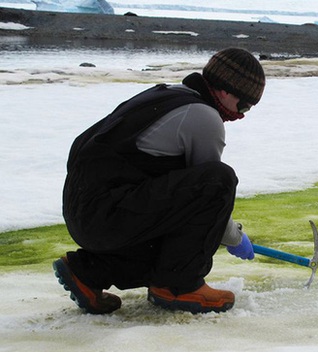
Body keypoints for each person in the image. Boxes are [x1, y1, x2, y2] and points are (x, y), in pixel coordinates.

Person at [52, 48, 266, 314]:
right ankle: (179, 285)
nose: (241, 115)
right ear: (225, 90)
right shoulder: (203, 117)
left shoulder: (168, 95)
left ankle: (88, 273)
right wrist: (235, 237)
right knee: (220, 180)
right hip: (106, 213)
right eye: (244, 105)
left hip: (88, 211)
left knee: (171, 232)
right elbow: (210, 196)